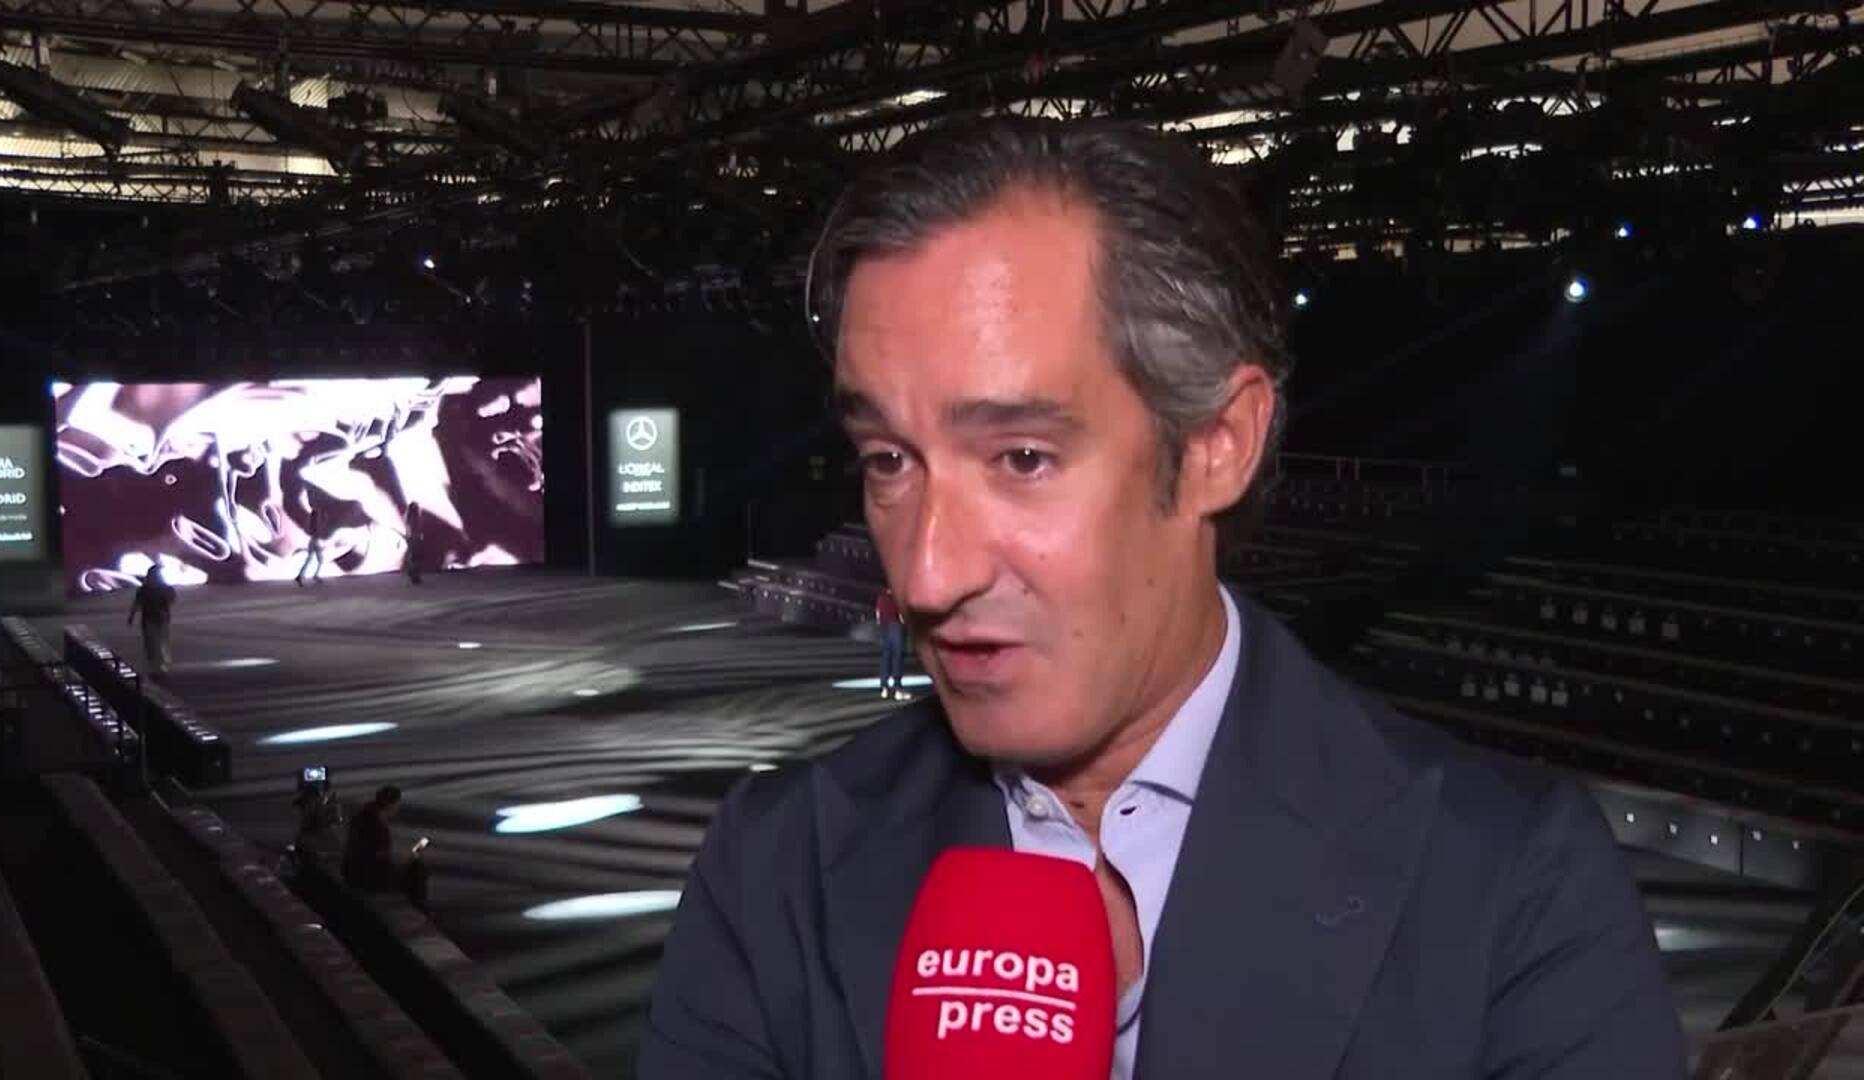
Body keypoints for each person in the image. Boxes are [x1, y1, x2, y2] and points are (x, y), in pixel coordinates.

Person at [640, 117, 1686, 1078]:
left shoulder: (1515, 889)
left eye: (1022, 457)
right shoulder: (773, 870)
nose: (926, 576)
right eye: (888, 460)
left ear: (1217, 445)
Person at [342, 784, 429, 909]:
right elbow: (379, 857)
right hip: (364, 876)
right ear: (391, 805)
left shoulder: (362, 815)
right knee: (417, 867)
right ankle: (419, 906)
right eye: (397, 805)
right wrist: (406, 858)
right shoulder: (377, 825)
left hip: (350, 869)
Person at [126, 563, 176, 677]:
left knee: (158, 642)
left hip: (158, 618)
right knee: (155, 643)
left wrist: (131, 616)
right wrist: (131, 615)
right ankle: (158, 665)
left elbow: (171, 598)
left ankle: (159, 665)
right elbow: (137, 603)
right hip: (153, 618)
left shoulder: (155, 588)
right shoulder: (148, 589)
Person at [874, 586, 909, 701]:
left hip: (884, 627)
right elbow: (901, 616)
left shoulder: (881, 598)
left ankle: (884, 687)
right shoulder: (897, 598)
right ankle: (897, 688)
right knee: (897, 656)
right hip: (896, 627)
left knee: (886, 656)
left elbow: (878, 615)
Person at [295, 503, 327, 586]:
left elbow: (313, 531)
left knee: (313, 559)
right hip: (314, 541)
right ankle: (309, 575)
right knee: (317, 559)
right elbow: (316, 532)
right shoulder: (315, 521)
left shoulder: (313, 521)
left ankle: (302, 575)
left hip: (314, 541)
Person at [403, 501, 424, 585]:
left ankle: (413, 574)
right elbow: (413, 528)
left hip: (413, 538)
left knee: (413, 557)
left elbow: (409, 528)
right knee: (415, 557)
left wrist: (408, 537)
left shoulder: (410, 517)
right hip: (415, 538)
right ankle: (414, 575)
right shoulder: (414, 518)